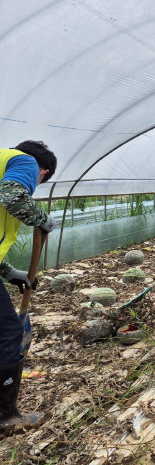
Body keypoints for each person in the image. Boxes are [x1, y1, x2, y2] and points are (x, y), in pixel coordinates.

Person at [0, 140, 57, 429]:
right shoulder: (25, 161)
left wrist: (10, 272)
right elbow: (12, 197)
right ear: (43, 172)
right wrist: (41, 218)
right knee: (9, 332)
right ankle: (5, 416)